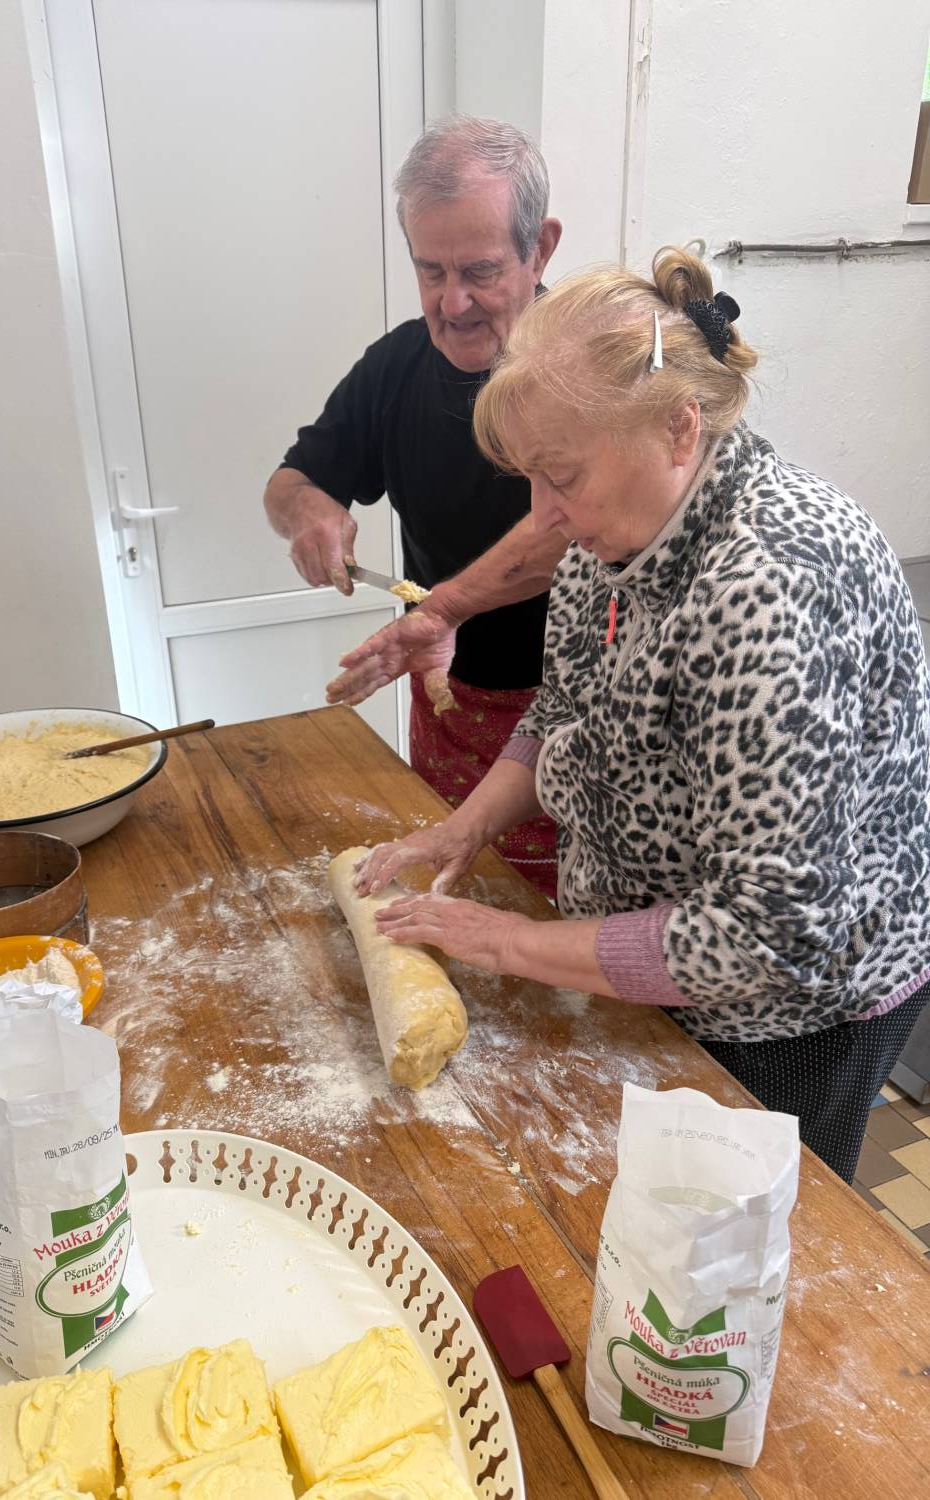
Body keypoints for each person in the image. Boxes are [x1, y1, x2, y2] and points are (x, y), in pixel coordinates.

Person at [352, 244, 930, 1182]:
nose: (542, 513)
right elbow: (564, 705)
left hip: (791, 1016)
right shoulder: (613, 537)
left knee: (735, 1227)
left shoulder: (769, 587)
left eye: (561, 476)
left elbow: (764, 934)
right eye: (529, 477)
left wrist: (508, 942)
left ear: (677, 428)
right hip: (659, 964)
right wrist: (464, 829)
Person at [264, 117, 567, 896]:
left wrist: (443, 608)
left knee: (551, 931)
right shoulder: (396, 366)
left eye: (479, 271)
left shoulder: (592, 369)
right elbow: (290, 480)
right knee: (450, 901)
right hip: (446, 699)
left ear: (540, 249)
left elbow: (565, 529)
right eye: (429, 271)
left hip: (574, 717)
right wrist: (309, 513)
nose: (452, 301)